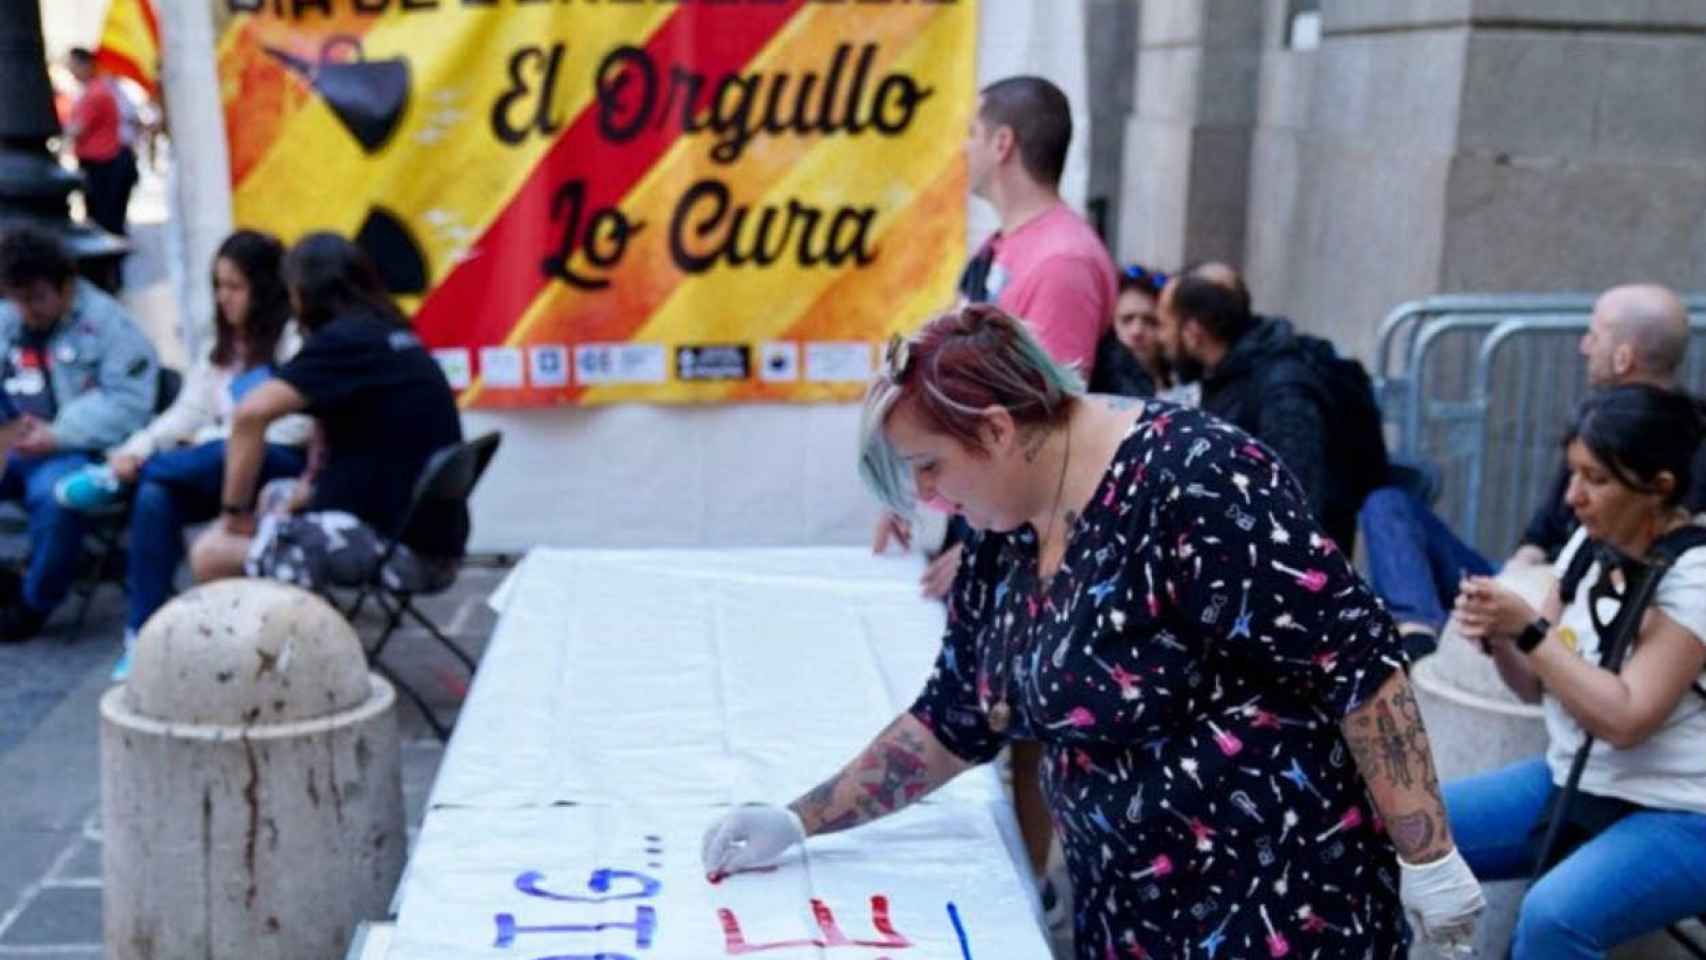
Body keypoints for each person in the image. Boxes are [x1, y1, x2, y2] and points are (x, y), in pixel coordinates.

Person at [703, 303, 1485, 958]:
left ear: (998, 430)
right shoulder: (1007, 530)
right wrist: (802, 818)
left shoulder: (1197, 481)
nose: (927, 494)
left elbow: (1357, 665)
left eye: (930, 465)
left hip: (1277, 908)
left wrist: (1429, 854)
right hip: (1130, 913)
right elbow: (955, 716)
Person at [1449, 384, 1706, 958]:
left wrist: (1530, 632)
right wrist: (1502, 636)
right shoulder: (1588, 548)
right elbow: (1537, 686)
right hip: (1575, 782)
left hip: (1682, 809)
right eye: (1572, 475)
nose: (1572, 498)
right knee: (1399, 826)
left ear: (1658, 488)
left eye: (1596, 479)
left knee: (1553, 917)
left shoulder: (1696, 574)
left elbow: (1625, 718)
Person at [1361, 283, 1703, 656]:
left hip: (1580, 593)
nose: (1583, 347)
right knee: (1387, 505)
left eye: (1593, 335)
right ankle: (1418, 638)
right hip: (1544, 584)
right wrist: (1504, 587)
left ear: (1623, 358)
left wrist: (1531, 605)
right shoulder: (1595, 422)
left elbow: (1627, 713)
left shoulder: (1687, 448)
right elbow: (1539, 534)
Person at [77, 230, 313, 679]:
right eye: (218, 286)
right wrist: (138, 446)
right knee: (154, 496)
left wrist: (208, 439)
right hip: (212, 467)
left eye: (235, 287)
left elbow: (292, 427)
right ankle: (143, 634)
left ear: (263, 289)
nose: (224, 298)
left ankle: (118, 477)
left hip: (274, 463)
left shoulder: (292, 342)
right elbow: (187, 411)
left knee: (200, 456)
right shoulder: (219, 347)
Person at [189, 232, 466, 596]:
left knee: (210, 553)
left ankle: (289, 641)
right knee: (276, 495)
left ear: (305, 292)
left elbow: (249, 415)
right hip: (429, 538)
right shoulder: (390, 334)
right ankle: (299, 626)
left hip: (401, 552)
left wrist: (234, 514)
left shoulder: (345, 343)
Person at [0, 225, 157, 641]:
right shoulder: (9, 319)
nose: (26, 310)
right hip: (13, 441)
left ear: (66, 286)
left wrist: (59, 434)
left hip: (74, 448)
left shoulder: (110, 326)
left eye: (35, 298)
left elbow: (129, 402)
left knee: (57, 499)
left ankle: (31, 605)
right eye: (17, 299)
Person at [1157, 264, 1363, 549]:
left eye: (1164, 325)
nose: (1162, 339)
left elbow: (1298, 508)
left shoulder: (1282, 390)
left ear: (1192, 332)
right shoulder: (1223, 380)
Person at [64, 48, 139, 238]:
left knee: (106, 225)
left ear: (86, 65)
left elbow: (77, 129)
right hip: (104, 164)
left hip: (105, 166)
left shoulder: (95, 93)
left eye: (73, 65)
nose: (70, 71)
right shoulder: (96, 90)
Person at [1088, 262, 1172, 399]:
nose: (1137, 331)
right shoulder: (1097, 388)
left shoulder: (1187, 383)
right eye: (1127, 320)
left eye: (1150, 321)